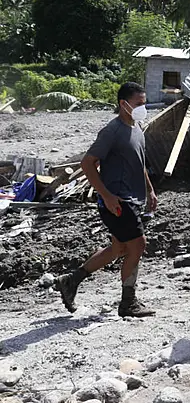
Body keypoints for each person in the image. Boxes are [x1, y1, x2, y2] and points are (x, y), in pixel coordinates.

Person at [55, 82, 158, 317]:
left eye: (145, 103)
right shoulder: (112, 131)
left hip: (132, 198)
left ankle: (71, 281)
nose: (144, 108)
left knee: (119, 248)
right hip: (118, 202)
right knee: (137, 245)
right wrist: (107, 196)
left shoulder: (137, 128)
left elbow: (139, 164)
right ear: (124, 104)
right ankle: (128, 303)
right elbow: (87, 163)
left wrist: (150, 190)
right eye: (139, 103)